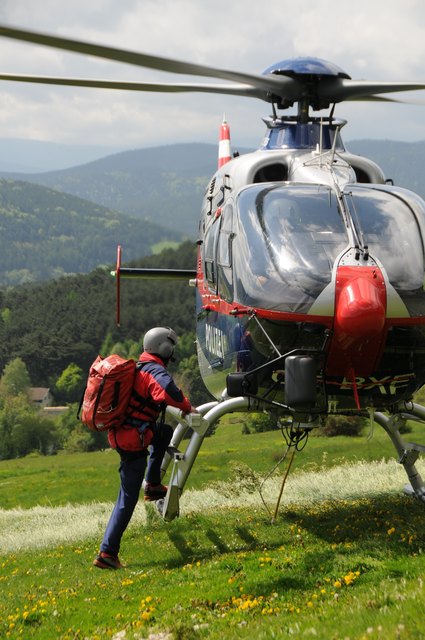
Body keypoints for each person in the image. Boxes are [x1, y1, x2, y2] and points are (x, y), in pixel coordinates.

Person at [93, 326, 196, 570]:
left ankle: (152, 484)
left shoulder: (140, 366)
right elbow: (169, 393)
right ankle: (107, 552)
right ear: (165, 348)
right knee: (126, 499)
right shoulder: (154, 370)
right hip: (133, 440)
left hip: (125, 434)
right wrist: (187, 406)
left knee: (164, 433)